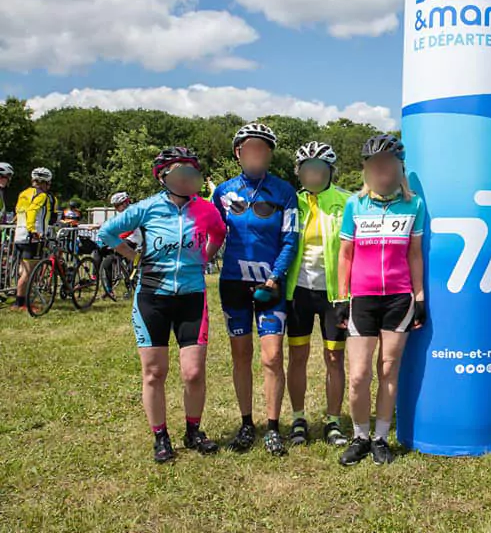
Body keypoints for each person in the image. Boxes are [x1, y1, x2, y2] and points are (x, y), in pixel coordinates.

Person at [98, 148, 225, 463]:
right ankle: (160, 436)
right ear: (163, 176)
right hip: (152, 297)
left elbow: (219, 234)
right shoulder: (147, 208)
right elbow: (107, 232)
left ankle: (193, 431)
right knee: (155, 372)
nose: (187, 178)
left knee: (193, 372)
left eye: (191, 172)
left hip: (192, 296)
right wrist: (135, 258)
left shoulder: (205, 210)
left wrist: (202, 259)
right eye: (180, 172)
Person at [337, 134, 425, 467]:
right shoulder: (354, 205)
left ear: (399, 168)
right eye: (375, 166)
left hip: (399, 298)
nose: (381, 171)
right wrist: (341, 297)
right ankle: (360, 436)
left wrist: (419, 297)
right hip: (362, 298)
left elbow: (415, 254)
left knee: (389, 369)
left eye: (387, 165)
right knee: (359, 374)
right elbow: (346, 255)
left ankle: (380, 438)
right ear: (366, 170)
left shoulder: (414, 204)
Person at [213, 122, 299, 457]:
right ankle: (247, 423)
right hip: (233, 282)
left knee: (273, 356)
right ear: (238, 153)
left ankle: (274, 426)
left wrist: (276, 276)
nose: (256, 154)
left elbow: (290, 239)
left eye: (262, 149)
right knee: (240, 355)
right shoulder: (222, 191)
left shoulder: (283, 191)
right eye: (250, 148)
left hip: (270, 283)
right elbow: (210, 230)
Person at [284, 142, 352, 447]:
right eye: (307, 170)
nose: (313, 175)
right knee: (297, 356)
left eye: (320, 170)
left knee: (334, 358)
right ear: (298, 172)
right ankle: (298, 418)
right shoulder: (290, 202)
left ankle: (333, 421)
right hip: (297, 291)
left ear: (330, 172)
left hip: (333, 294)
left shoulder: (347, 202)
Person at [12, 168, 57, 311]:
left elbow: (18, 212)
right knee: (28, 272)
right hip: (31, 237)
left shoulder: (23, 193)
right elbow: (32, 211)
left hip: (18, 235)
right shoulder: (42, 196)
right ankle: (21, 303)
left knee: (22, 271)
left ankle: (20, 301)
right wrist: (33, 230)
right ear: (46, 183)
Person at [98, 192, 142, 300]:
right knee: (108, 262)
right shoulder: (120, 213)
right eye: (115, 206)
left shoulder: (132, 211)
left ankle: (131, 287)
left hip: (135, 238)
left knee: (130, 261)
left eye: (118, 205)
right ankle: (109, 290)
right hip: (125, 238)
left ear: (126, 202)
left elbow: (129, 229)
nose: (116, 208)